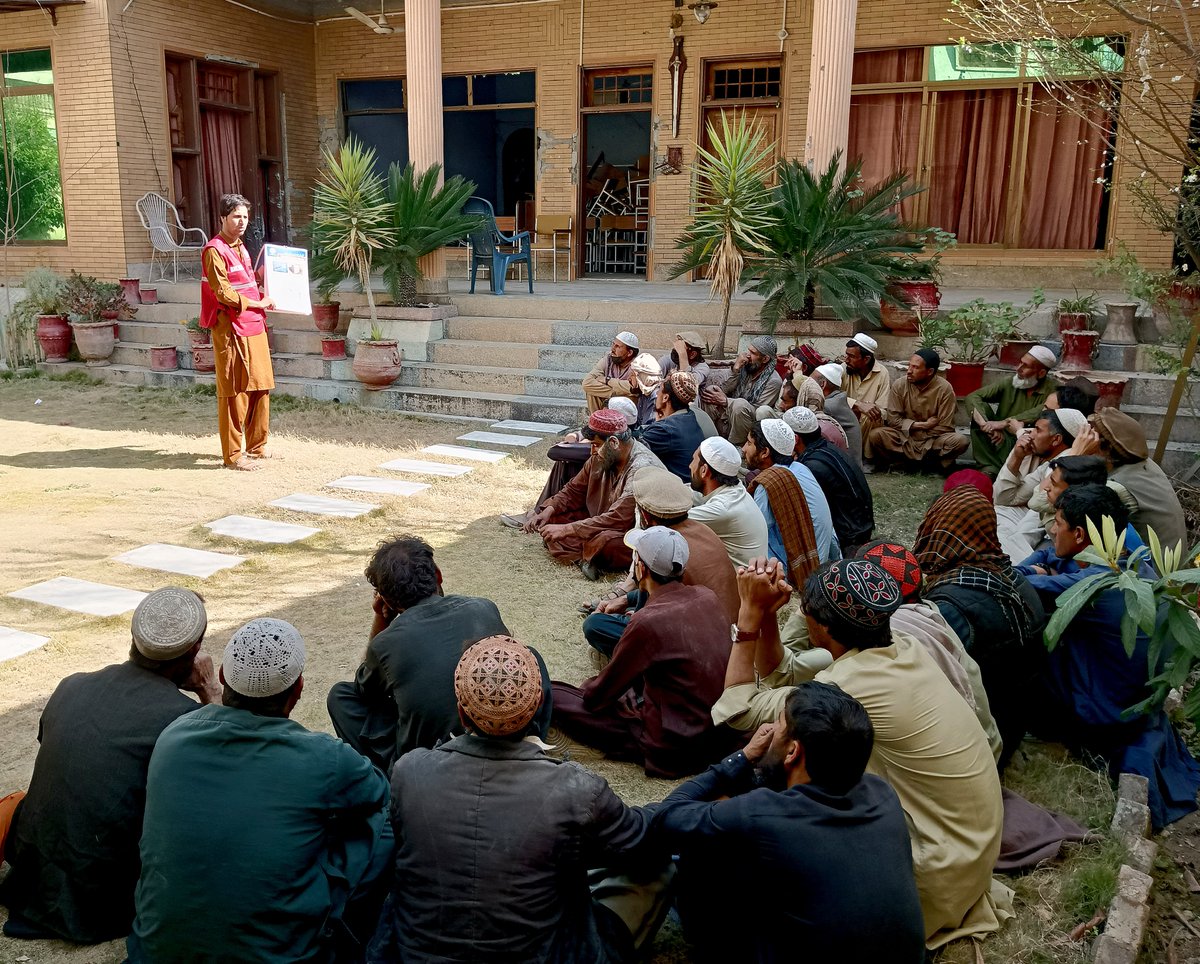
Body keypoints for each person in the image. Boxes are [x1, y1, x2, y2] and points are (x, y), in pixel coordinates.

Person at [714, 558, 1009, 947]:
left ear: (821, 627)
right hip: (970, 857)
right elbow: (781, 674)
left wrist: (748, 615)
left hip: (932, 875)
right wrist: (769, 616)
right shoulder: (902, 649)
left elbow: (738, 710)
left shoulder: (851, 682)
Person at [371, 637, 671, 963]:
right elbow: (642, 842)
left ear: (460, 711)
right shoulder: (576, 788)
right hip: (553, 952)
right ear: (540, 704)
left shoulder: (409, 772)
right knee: (658, 871)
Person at [128, 619, 393, 964]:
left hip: (154, 953)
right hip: (279, 957)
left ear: (221, 676)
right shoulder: (324, 758)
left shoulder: (174, 737)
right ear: (298, 690)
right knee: (382, 825)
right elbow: (379, 792)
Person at [648, 681, 926, 964]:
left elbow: (666, 817)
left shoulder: (764, 814)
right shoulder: (883, 793)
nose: (770, 728)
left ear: (793, 751)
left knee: (705, 844)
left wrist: (742, 758)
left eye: (778, 723)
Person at [0, 588, 219, 943]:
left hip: (31, 878)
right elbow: (225, 783)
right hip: (101, 902)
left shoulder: (72, 685)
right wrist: (211, 694)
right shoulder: (185, 720)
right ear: (195, 651)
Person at [1020, 484, 1200, 829]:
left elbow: (1015, 582)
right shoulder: (1129, 564)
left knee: (1024, 633)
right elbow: (1046, 557)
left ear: (1080, 534)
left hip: (1104, 710)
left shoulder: (1098, 583)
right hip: (1134, 697)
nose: (1050, 529)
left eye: (1057, 522)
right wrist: (1043, 566)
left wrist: (1039, 573)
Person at [327, 535, 533, 773]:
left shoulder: (385, 644)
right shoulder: (483, 607)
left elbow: (365, 692)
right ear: (438, 574)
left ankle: (384, 778)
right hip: (498, 731)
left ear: (388, 601)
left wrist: (381, 619)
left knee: (340, 696)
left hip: (424, 763)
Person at [553, 526, 735, 778]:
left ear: (641, 568)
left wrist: (588, 687)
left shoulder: (648, 621)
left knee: (554, 695)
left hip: (674, 747)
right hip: (718, 734)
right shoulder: (707, 596)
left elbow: (597, 697)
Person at [914, 485, 1046, 767]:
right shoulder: (1015, 581)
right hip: (1010, 728)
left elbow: (919, 676)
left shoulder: (950, 606)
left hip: (975, 749)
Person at [582, 467, 739, 657]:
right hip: (722, 629)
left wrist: (631, 612)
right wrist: (624, 600)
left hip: (696, 643)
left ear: (645, 516)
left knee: (595, 625)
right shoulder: (703, 530)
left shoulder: (666, 549)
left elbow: (659, 610)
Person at [515, 408, 664, 580]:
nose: (592, 451)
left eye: (595, 445)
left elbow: (618, 519)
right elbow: (574, 489)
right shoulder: (601, 456)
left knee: (608, 543)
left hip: (627, 530)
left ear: (614, 442)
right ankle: (588, 556)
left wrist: (568, 530)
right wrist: (548, 510)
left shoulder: (641, 468)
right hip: (601, 520)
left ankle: (586, 554)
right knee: (554, 519)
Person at [201, 192, 276, 471]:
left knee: (260, 384)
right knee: (235, 389)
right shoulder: (214, 250)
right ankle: (233, 456)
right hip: (230, 328)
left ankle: (257, 446)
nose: (242, 221)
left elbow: (246, 281)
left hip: (254, 325)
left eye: (245, 216)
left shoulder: (242, 248)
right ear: (223, 218)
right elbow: (223, 292)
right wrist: (256, 302)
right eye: (236, 216)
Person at [1075, 407, 1189, 550]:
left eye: (1092, 438)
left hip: (1151, 570)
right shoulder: (1145, 464)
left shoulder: (1118, 487)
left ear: (1108, 447)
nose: (1085, 440)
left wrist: (1076, 454)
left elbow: (1050, 503)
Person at [743, 419, 838, 578]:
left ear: (765, 452)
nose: (744, 449)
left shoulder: (770, 482)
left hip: (807, 566)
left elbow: (756, 532)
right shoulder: (800, 467)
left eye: (749, 443)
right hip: (825, 556)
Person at [994, 408, 1087, 563]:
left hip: (1051, 535)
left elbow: (1037, 508)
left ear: (1056, 439)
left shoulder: (1066, 462)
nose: (1030, 434)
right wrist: (1017, 457)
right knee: (995, 513)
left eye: (1037, 430)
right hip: (1030, 524)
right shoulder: (1048, 463)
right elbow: (1005, 499)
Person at [785, 405, 874, 552]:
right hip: (861, 529)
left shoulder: (811, 467)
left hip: (848, 540)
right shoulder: (827, 449)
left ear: (795, 439)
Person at [868, 349, 967, 473]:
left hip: (932, 440)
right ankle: (902, 463)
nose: (909, 371)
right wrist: (922, 425)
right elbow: (893, 420)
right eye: (909, 365)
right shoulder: (900, 385)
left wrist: (917, 433)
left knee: (961, 441)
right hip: (905, 437)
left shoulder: (945, 389)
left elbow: (945, 426)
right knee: (876, 435)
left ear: (930, 371)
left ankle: (931, 465)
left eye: (915, 367)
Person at [965, 345, 1059, 475]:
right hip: (997, 437)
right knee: (979, 413)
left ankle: (1004, 471)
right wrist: (986, 425)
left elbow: (1040, 411)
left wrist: (1004, 423)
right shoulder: (1012, 381)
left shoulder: (1054, 390)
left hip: (1025, 443)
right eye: (1020, 362)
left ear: (1041, 373)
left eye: (1025, 366)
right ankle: (989, 468)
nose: (1018, 368)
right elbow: (973, 397)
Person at [687, 436, 769, 567]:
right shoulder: (736, 489)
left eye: (693, 461)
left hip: (742, 585)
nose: (690, 466)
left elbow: (672, 520)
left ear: (704, 471)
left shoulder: (723, 509)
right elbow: (689, 494)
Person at [700, 335, 783, 444]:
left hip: (747, 423)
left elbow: (756, 410)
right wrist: (736, 369)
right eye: (748, 351)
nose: (748, 355)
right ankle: (708, 439)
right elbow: (725, 389)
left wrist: (726, 401)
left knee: (740, 405)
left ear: (765, 359)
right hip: (730, 412)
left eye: (753, 353)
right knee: (712, 391)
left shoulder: (774, 381)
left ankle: (736, 446)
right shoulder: (746, 367)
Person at [639, 371, 705, 481]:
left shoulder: (664, 430)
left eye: (659, 390)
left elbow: (630, 449)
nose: (656, 395)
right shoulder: (690, 415)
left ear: (665, 398)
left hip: (681, 491)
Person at [842, 332, 892, 457]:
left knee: (873, 415)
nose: (846, 360)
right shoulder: (843, 368)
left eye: (852, 356)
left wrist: (869, 409)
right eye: (846, 355)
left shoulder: (882, 373)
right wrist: (857, 405)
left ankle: (864, 457)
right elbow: (832, 398)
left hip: (867, 423)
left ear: (866, 359)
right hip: (844, 416)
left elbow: (884, 410)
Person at [812, 362, 863, 469]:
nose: (807, 385)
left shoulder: (829, 406)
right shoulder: (835, 400)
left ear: (822, 384)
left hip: (846, 468)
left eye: (810, 382)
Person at [582, 331, 642, 413]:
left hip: (627, 409)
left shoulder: (638, 365)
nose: (612, 349)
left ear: (629, 353)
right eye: (613, 344)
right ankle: (597, 422)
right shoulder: (608, 359)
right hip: (613, 399)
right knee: (591, 392)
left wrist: (607, 380)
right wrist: (621, 392)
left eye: (617, 346)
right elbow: (587, 383)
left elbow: (635, 389)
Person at [781, 342, 827, 412]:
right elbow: (779, 408)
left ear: (804, 368)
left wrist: (798, 373)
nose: (785, 365)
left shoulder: (812, 388)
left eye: (791, 362)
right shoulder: (788, 378)